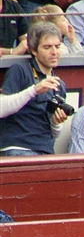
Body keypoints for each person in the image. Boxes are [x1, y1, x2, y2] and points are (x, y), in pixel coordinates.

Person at [0, 23, 70, 156]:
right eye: (47, 47)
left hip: (45, 150)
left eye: (57, 46)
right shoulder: (20, 71)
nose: (54, 52)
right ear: (34, 50)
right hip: (18, 148)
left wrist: (56, 123)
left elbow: (54, 134)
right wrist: (34, 90)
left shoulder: (59, 85)